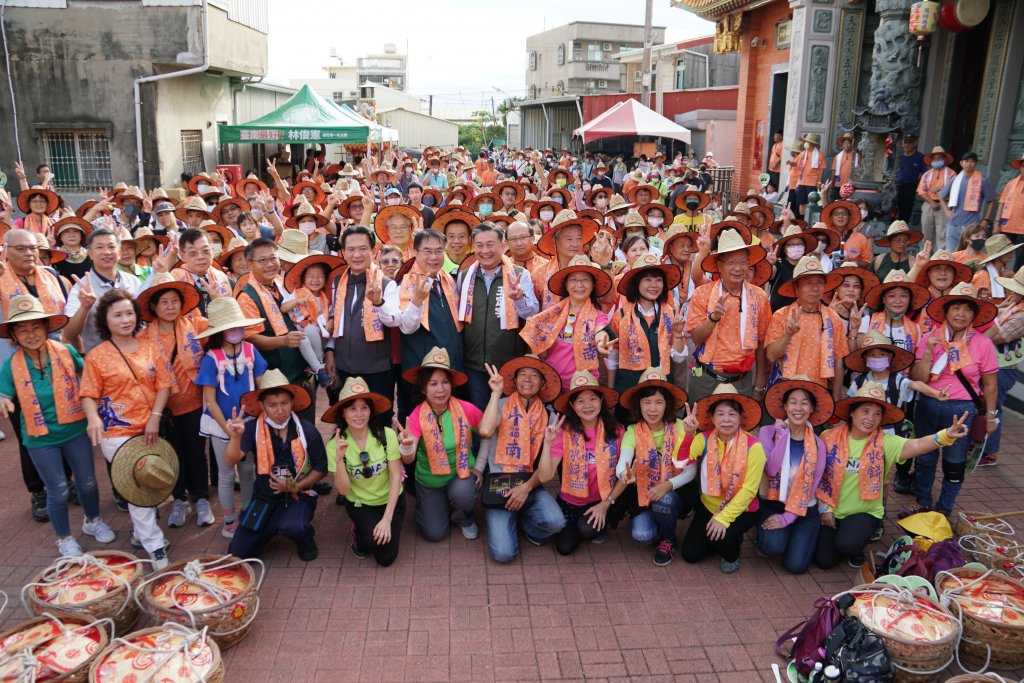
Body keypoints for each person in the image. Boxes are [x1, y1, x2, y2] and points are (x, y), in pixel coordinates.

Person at [0, 295, 115, 557]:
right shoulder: (10, 366)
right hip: (40, 438)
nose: (30, 334)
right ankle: (63, 538)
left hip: (75, 429)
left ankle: (93, 521)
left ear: (45, 327)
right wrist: (3, 401)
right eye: (22, 329)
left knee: (86, 483)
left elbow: (88, 375)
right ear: (14, 336)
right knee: (58, 490)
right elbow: (3, 393)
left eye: (36, 327)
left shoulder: (65, 351)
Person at [814, 382, 970, 568]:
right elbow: (817, 475)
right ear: (852, 412)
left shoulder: (885, 442)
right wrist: (824, 508)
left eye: (877, 413)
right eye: (865, 411)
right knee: (823, 561)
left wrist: (947, 435)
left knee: (847, 544)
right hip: (831, 507)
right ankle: (844, 537)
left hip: (863, 511)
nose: (870, 418)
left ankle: (855, 545)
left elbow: (918, 445)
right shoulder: (828, 437)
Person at [79, 289, 173, 569]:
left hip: (150, 429)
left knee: (149, 484)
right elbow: (88, 393)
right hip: (116, 433)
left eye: (129, 313)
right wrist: (93, 418)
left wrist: (155, 416)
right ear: (104, 321)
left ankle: (140, 530)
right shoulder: (97, 356)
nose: (124, 320)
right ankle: (155, 547)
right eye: (117, 315)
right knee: (139, 487)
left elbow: (164, 384)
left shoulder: (150, 346)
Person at [908, 283, 998, 516]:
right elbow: (917, 377)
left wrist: (990, 416)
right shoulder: (930, 337)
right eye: (956, 307)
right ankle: (923, 502)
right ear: (946, 312)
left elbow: (990, 384)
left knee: (954, 463)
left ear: (974, 316)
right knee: (925, 458)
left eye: (967, 309)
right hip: (927, 405)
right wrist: (928, 351)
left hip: (962, 409)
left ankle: (944, 509)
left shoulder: (983, 343)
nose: (960, 314)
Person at [224, 369, 327, 561]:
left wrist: (294, 486)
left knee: (294, 526)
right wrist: (236, 437)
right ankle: (271, 525)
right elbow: (231, 459)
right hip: (264, 497)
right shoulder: (253, 428)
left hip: (299, 495)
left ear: (292, 403)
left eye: (284, 403)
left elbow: (321, 468)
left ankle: (304, 536)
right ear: (262, 405)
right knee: (238, 552)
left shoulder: (306, 431)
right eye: (272, 405)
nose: (280, 411)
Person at [136, 275, 213, 529]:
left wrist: (218, 298)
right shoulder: (144, 337)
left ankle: (201, 498)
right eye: (164, 302)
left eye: (174, 301)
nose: (170, 306)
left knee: (196, 453)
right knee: (172, 456)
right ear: (154, 307)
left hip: (194, 404)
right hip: (165, 410)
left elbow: (224, 323)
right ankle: (179, 498)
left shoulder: (196, 325)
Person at [476, 356, 566, 563]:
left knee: (555, 522)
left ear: (543, 384)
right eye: (522, 374)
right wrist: (495, 393)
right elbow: (485, 431)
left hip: (531, 481)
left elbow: (546, 473)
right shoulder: (500, 405)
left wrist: (525, 488)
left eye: (535, 375)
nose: (528, 379)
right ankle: (510, 518)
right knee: (503, 554)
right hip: (499, 481)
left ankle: (528, 524)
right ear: (514, 381)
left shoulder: (551, 417)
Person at [195, 297, 268, 539]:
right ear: (220, 332)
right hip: (221, 425)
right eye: (231, 327)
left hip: (248, 422)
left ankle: (247, 511)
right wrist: (228, 430)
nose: (237, 331)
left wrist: (264, 414)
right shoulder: (211, 358)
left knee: (248, 470)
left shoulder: (250, 349)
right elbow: (210, 401)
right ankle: (229, 520)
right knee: (226, 474)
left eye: (239, 326)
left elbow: (261, 385)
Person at [396, 348, 483, 542]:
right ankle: (433, 505)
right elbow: (407, 459)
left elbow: (488, 431)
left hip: (460, 476)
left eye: (445, 382)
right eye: (433, 384)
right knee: (434, 533)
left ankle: (463, 516)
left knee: (463, 494)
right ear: (423, 388)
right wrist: (407, 447)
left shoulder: (465, 408)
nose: (441, 389)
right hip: (430, 481)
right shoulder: (417, 415)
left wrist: (480, 466)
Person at [677, 384, 765, 573]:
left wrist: (723, 519)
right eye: (720, 414)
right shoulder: (704, 439)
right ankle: (717, 537)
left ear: (741, 417)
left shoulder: (754, 447)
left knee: (724, 537)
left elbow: (749, 491)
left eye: (732, 414)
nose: (726, 420)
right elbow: (679, 462)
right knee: (690, 554)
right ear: (711, 417)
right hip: (709, 506)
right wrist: (688, 434)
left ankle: (731, 552)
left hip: (743, 510)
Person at [538, 371, 625, 556]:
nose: (587, 406)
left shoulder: (616, 431)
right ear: (572, 405)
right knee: (564, 548)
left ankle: (600, 520)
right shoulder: (564, 432)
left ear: (601, 401)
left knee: (587, 530)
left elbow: (625, 475)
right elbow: (545, 476)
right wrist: (547, 443)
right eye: (580, 401)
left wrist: (606, 504)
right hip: (569, 501)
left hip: (602, 500)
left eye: (592, 399)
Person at [616, 368, 695, 566]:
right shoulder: (633, 431)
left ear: (667, 404)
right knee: (642, 535)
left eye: (659, 402)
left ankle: (668, 539)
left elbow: (690, 471)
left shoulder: (680, 426)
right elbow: (622, 464)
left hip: (674, 491)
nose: (652, 409)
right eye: (647, 402)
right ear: (639, 405)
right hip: (643, 492)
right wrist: (626, 474)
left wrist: (667, 485)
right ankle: (659, 519)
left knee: (665, 500)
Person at [755, 376, 832, 574]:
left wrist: (788, 518)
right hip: (774, 503)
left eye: (805, 403)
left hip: (804, 509)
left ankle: (793, 533)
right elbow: (771, 470)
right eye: (793, 402)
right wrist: (781, 437)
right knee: (772, 546)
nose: (799, 408)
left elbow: (813, 486)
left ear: (812, 409)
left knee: (796, 566)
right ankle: (777, 537)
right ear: (785, 407)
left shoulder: (818, 444)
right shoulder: (767, 432)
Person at [325, 377, 405, 566]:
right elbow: (343, 491)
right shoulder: (334, 445)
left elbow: (395, 477)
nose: (359, 414)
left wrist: (387, 519)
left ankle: (382, 526)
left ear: (371, 411)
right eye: (352, 408)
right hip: (361, 504)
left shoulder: (387, 435)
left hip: (391, 500)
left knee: (385, 559)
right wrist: (339, 460)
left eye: (364, 408)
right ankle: (358, 532)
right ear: (343, 413)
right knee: (370, 541)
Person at [456, 223, 538, 407]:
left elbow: (532, 312)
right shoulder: (464, 277)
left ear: (503, 246)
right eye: (479, 245)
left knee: (506, 420)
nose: (485, 250)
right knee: (479, 420)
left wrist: (519, 299)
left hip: (508, 365)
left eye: (490, 244)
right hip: (474, 364)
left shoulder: (519, 275)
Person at [325, 225, 401, 422]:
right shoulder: (337, 282)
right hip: (342, 366)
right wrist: (330, 351)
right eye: (351, 249)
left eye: (362, 249)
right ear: (343, 251)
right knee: (345, 420)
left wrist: (378, 302)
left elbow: (394, 319)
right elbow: (335, 319)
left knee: (379, 420)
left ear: (373, 251)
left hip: (376, 368)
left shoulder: (386, 284)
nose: (356, 255)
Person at [686, 229, 771, 403]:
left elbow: (762, 343)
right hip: (706, 376)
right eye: (731, 262)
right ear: (719, 266)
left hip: (742, 379)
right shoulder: (703, 293)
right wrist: (713, 318)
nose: (738, 268)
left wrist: (760, 384)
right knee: (700, 427)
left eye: (742, 262)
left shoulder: (759, 296)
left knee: (738, 428)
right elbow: (696, 338)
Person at [235, 238, 312, 405]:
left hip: (302, 369)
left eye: (273, 258)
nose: (270, 264)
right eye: (262, 260)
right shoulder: (247, 297)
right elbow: (251, 338)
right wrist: (283, 340)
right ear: (249, 265)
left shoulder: (281, 283)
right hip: (278, 378)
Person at [520, 255, 611, 391]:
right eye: (573, 280)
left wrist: (601, 341)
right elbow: (543, 354)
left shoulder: (598, 316)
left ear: (592, 286)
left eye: (585, 280)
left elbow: (601, 331)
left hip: (583, 386)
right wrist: (535, 333)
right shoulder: (550, 315)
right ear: (566, 285)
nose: (579, 285)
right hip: (551, 384)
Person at [766, 256, 849, 403]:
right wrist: (787, 334)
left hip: (819, 392)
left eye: (819, 283)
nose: (815, 288)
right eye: (808, 283)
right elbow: (771, 356)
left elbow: (838, 361)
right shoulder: (781, 315)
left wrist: (835, 400)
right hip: (784, 390)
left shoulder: (833, 318)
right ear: (796, 288)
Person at [604, 253, 685, 396]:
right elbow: (613, 357)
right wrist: (611, 391)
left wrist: (678, 334)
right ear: (637, 283)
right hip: (628, 388)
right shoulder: (621, 316)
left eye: (658, 280)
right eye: (647, 280)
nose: (654, 285)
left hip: (661, 390)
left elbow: (679, 358)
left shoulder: (671, 314)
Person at [63, 228, 145, 354]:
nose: (106, 252)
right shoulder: (81, 287)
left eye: (111, 247)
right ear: (90, 253)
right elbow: (69, 333)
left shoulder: (133, 281)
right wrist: (84, 308)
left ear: (119, 252)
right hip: (101, 361)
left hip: (137, 354)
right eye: (100, 247)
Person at [983, 265, 1024, 467]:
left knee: (993, 409)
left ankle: (989, 452)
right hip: (996, 365)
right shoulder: (1013, 307)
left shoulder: (1022, 314)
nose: (1011, 291)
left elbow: (998, 337)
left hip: (1003, 369)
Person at [856, 270, 928, 355]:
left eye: (903, 296)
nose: (898, 301)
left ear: (910, 299)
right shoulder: (868, 320)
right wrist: (854, 330)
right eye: (892, 296)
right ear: (883, 299)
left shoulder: (916, 329)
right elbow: (856, 353)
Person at [940, 152, 996, 253]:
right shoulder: (955, 180)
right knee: (952, 254)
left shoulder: (983, 181)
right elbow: (941, 195)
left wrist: (986, 220)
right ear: (961, 163)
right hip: (954, 223)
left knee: (970, 254)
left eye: (972, 161)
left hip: (972, 226)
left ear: (976, 163)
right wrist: (946, 211)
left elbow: (991, 200)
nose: (969, 164)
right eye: (967, 161)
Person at [917, 146, 956, 250]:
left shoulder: (951, 174)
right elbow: (921, 191)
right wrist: (932, 202)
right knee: (926, 233)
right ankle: (925, 257)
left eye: (939, 158)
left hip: (945, 206)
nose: (937, 160)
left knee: (942, 234)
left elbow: (954, 190)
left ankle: (940, 258)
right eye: (935, 158)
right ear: (931, 160)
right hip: (928, 205)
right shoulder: (926, 175)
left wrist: (942, 189)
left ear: (944, 159)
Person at [973, 234, 1023, 302]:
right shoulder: (983, 276)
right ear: (997, 255)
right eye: (1007, 251)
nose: (1011, 253)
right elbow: (980, 304)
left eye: (1011, 250)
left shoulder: (1007, 272)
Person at [996, 153, 1024, 270]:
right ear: (1020, 167)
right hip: (1006, 227)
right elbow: (1002, 203)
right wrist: (996, 223)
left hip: (1022, 229)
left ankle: (1016, 285)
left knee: (1020, 261)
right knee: (999, 257)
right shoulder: (1011, 183)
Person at [896, 134, 928, 223]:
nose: (907, 145)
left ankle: (903, 229)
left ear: (914, 143)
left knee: (906, 211)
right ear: (902, 144)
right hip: (897, 186)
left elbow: (924, 174)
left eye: (909, 143)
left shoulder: (920, 157)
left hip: (910, 188)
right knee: (893, 210)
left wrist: (919, 187)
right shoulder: (900, 157)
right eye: (905, 142)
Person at [793, 133, 824, 217]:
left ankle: (809, 219)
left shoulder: (819, 155)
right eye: (806, 141)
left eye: (808, 142)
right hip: (802, 181)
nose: (806, 143)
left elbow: (821, 170)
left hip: (812, 182)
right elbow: (796, 165)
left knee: (812, 202)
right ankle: (802, 219)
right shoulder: (803, 153)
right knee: (801, 202)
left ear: (813, 144)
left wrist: (819, 181)